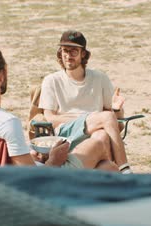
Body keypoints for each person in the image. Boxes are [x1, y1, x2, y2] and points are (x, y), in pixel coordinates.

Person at [0, 44, 120, 172]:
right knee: (97, 146)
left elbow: (10, 160)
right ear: (1, 76)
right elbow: (34, 178)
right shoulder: (8, 122)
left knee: (108, 168)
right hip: (41, 185)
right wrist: (53, 160)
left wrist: (31, 153)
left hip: (1, 184)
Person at [38, 30, 132, 173]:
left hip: (96, 133)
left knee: (105, 147)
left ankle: (105, 172)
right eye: (65, 51)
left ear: (83, 54)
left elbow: (117, 122)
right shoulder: (52, 80)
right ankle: (125, 169)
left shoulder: (100, 78)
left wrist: (117, 109)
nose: (68, 56)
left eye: (74, 51)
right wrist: (88, 117)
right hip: (67, 133)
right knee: (105, 117)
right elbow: (50, 118)